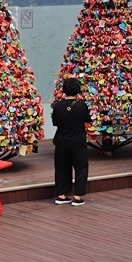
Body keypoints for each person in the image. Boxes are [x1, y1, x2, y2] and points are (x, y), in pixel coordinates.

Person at [52, 77, 92, 206]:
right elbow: (88, 120)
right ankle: (78, 196)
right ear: (78, 90)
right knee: (81, 168)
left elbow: (55, 123)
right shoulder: (82, 106)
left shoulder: (57, 106)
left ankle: (61, 195)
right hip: (78, 142)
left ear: (64, 90)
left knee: (61, 168)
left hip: (62, 142)